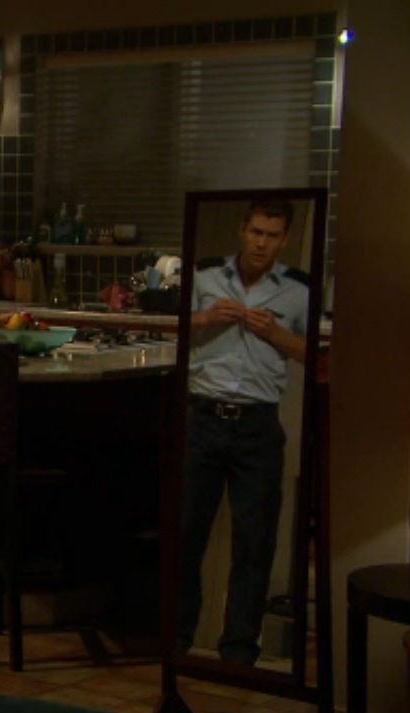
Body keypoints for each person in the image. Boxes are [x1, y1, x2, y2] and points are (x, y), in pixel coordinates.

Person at [177, 199, 310, 666]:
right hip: (203, 419)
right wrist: (205, 318)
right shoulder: (204, 276)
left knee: (254, 544)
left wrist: (276, 334)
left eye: (271, 236)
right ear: (241, 230)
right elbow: (169, 328)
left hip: (258, 427)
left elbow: (318, 353)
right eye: (255, 232)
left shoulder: (299, 290)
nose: (261, 243)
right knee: (185, 535)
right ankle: (177, 642)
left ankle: (238, 653)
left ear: (284, 239)